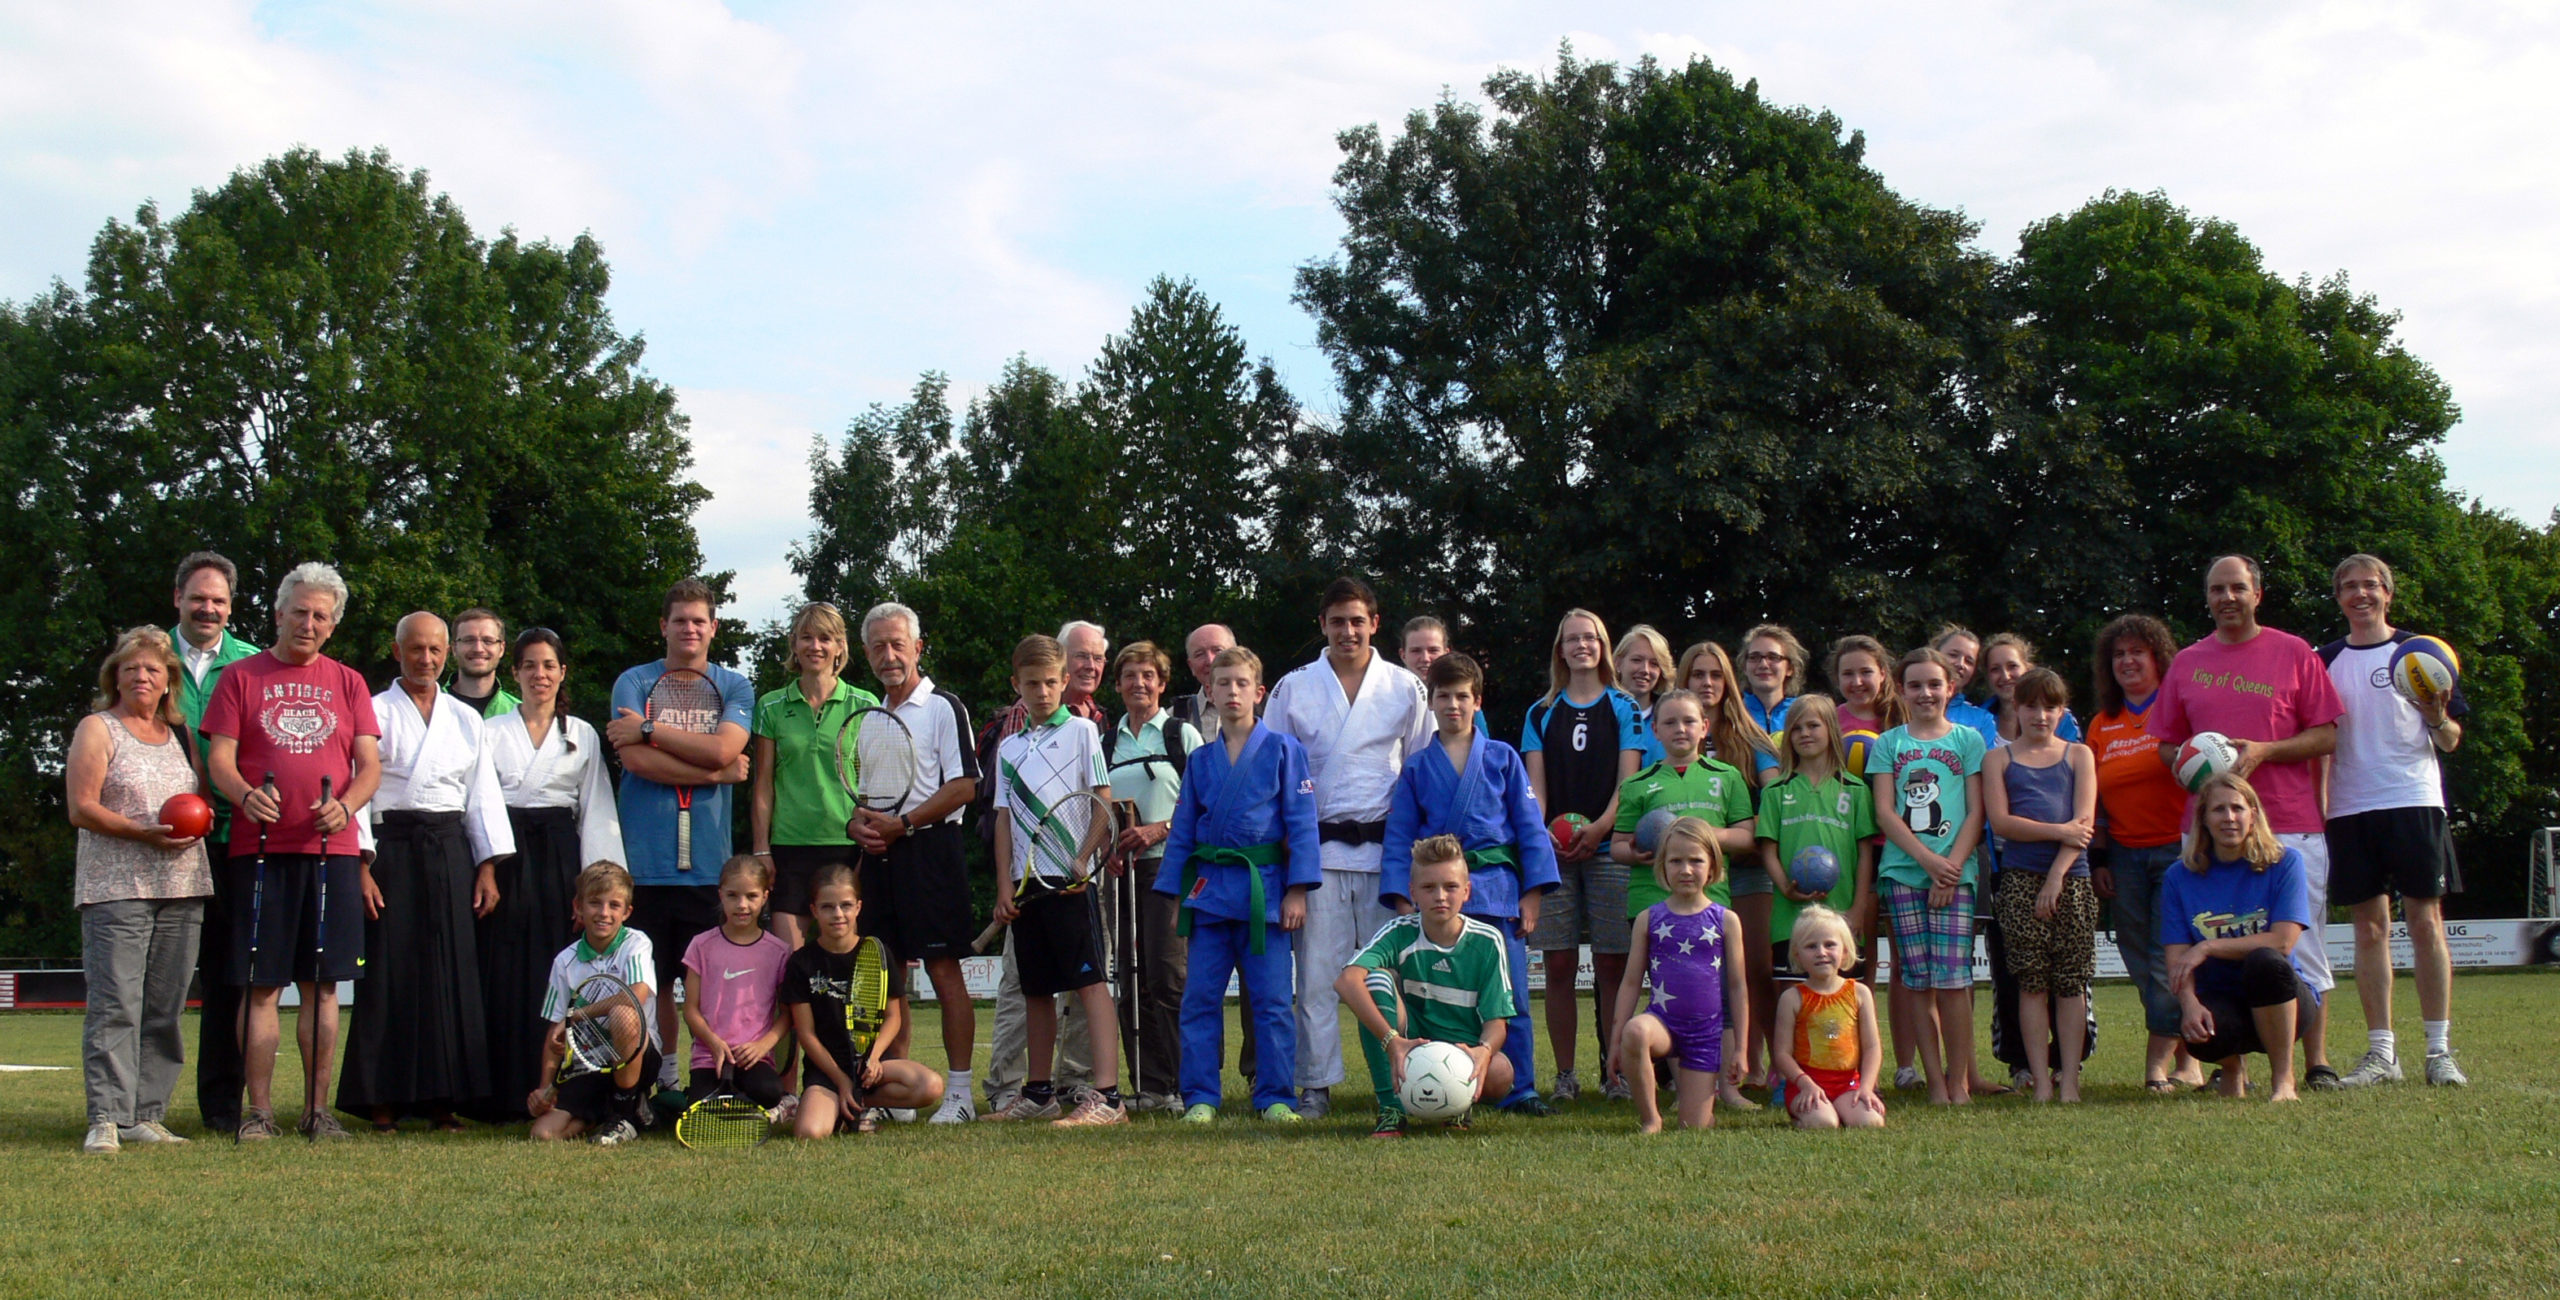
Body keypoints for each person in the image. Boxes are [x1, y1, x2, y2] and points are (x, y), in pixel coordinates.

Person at [199, 561, 381, 1141]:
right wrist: (246, 796)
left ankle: (317, 1111)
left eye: (320, 616)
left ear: (333, 625)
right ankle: (258, 1114)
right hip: (257, 853)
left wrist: (347, 806)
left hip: (332, 852)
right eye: (299, 612)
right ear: (278, 614)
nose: (308, 623)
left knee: (324, 986)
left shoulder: (349, 682)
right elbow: (219, 760)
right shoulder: (240, 677)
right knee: (260, 985)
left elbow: (370, 766)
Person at [2146, 555, 2345, 1087]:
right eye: (2217, 589)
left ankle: (2315, 1063)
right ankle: (2231, 1070)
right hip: (2211, 828)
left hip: (2289, 822)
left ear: (2258, 593)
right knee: (2211, 938)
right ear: (2207, 597)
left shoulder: (2294, 652)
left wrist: (2266, 750)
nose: (2227, 598)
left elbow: (2327, 734)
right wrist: (2195, 766)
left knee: (2299, 945)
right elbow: (2165, 745)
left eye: (2237, 587)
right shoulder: (2188, 662)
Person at [1264, 578, 1433, 1118]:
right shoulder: (1293, 688)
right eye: (1337, 621)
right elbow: (1277, 775)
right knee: (1317, 976)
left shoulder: (1406, 687)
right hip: (1319, 856)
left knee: (1398, 975)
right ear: (1322, 626)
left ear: (1375, 624)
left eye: (1357, 620)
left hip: (1387, 854)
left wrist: (1419, 862)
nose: (1348, 631)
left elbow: (1420, 771)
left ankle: (1417, 1074)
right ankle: (1316, 1084)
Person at [340, 611, 514, 1132]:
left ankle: (443, 1098)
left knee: (451, 972)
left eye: (436, 651)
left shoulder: (465, 719)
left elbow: (482, 795)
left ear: (447, 654)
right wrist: (361, 867)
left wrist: (487, 868)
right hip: (391, 847)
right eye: (416, 649)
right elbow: (357, 791)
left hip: (449, 848)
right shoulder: (372, 712)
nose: (427, 660)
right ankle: (382, 1098)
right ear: (397, 652)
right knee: (389, 973)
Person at [1379, 652, 1561, 1114]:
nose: (1453, 705)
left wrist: (1532, 894)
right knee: (1438, 996)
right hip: (1438, 896)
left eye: (1463, 696)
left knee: (1510, 993)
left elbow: (1529, 828)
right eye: (1444, 696)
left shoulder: (1502, 758)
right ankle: (1443, 1080)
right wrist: (1404, 899)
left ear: (1477, 701)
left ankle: (1519, 1089)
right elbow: (1400, 835)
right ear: (1431, 703)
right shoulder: (1417, 767)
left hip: (1496, 889)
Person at [2321, 553, 2471, 1087]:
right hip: (2349, 806)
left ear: (2388, 593)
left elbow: (2451, 740)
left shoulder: (2422, 654)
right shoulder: (2325, 660)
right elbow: (2320, 741)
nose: (2360, 595)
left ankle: (2439, 1052)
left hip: (2413, 799)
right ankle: (2382, 1054)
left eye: (2370, 586)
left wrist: (2435, 714)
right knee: (2368, 929)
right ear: (2338, 598)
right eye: (2349, 587)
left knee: (2426, 922)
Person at [1155, 646, 1322, 1123]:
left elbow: (1302, 824)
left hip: (1263, 893)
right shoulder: (1202, 760)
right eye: (1223, 683)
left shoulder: (1285, 750)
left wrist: (1297, 889)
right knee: (1200, 999)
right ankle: (1202, 1097)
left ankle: (1274, 1096)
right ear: (1210, 691)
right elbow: (1184, 827)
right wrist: (1175, 895)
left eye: (1241, 683)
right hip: (1208, 894)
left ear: (1259, 692)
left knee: (1271, 1002)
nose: (1232, 691)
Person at [606, 579, 756, 1098]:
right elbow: (636, 760)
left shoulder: (734, 685)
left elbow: (724, 749)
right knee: (649, 989)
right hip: (644, 866)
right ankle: (656, 1080)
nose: (689, 629)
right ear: (663, 626)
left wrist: (649, 730)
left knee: (707, 987)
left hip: (708, 868)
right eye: (679, 620)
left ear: (713, 628)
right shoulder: (634, 680)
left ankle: (711, 1084)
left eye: (699, 621)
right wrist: (714, 771)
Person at [69, 627, 212, 1153]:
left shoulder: (182, 734)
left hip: (182, 883)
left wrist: (200, 819)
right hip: (116, 885)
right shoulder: (98, 728)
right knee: (116, 1004)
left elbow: (196, 795)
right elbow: (81, 807)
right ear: (116, 677)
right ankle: (106, 1117)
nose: (142, 676)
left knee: (164, 1006)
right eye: (131, 668)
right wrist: (141, 832)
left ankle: (145, 1116)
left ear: (168, 679)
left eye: (153, 669)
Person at [475, 627, 624, 1122]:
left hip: (562, 860)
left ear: (563, 673)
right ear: (513, 672)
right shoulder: (491, 731)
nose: (540, 675)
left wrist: (597, 891)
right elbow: (481, 804)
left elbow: (596, 809)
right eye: (530, 666)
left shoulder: (581, 733)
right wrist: (488, 867)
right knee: (506, 973)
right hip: (508, 856)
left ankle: (565, 1090)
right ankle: (500, 1095)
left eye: (549, 666)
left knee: (559, 972)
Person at [982, 634, 1129, 1126]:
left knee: (1090, 986)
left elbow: (1102, 804)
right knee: (1036, 991)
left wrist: (1081, 860)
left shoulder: (1083, 732)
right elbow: (1003, 819)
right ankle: (1039, 1094)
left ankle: (1108, 1098)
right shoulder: (1009, 747)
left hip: (1070, 883)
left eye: (1050, 682)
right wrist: (1005, 886)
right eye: (1031, 683)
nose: (1042, 691)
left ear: (1065, 682)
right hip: (1027, 888)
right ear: (1016, 686)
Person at [847, 602, 982, 1123]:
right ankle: (895, 1095)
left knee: (944, 971)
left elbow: (965, 786)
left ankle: (961, 1095)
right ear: (865, 654)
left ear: (918, 648)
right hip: (880, 857)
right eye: (878, 646)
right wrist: (858, 826)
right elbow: (865, 799)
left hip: (932, 853)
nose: (888, 655)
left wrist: (904, 824)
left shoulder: (945, 707)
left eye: (897, 644)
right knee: (887, 978)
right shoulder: (869, 717)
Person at [1608, 688, 1757, 1107]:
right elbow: (1619, 846)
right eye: (1669, 722)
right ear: (1654, 730)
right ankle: (1680, 1087)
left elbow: (1746, 836)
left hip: (1712, 904)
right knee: (1668, 996)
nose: (1680, 729)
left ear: (1705, 727)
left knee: (1721, 997)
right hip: (1652, 905)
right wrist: (1637, 851)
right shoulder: (1638, 783)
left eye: (1689, 721)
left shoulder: (1726, 777)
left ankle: (1726, 1087)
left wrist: (1694, 833)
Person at [1521, 608, 1644, 1102]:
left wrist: (1599, 828)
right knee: (1558, 963)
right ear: (1560, 649)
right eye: (1572, 639)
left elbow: (1629, 780)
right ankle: (1565, 1075)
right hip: (1555, 849)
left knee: (1614, 962)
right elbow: (1535, 788)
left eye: (1590, 637)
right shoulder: (1541, 710)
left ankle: (1613, 1070)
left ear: (1602, 644)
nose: (1581, 646)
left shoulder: (1624, 705)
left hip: (1609, 846)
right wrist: (1543, 832)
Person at [2086, 613, 2203, 1092]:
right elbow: (2092, 800)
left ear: (2159, 658)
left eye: (2138, 651)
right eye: (2118, 654)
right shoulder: (2102, 723)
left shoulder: (2180, 710)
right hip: (2125, 859)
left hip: (2179, 852)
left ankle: (2179, 1064)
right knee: (2139, 960)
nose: (2128, 661)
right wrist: (2099, 859)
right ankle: (2184, 1057)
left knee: (2166, 956)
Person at [1867, 647, 1987, 1106]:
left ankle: (1959, 1082)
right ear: (1900, 689)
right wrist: (1926, 862)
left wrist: (1950, 868)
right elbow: (1885, 812)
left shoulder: (1967, 740)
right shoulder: (1890, 744)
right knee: (1917, 979)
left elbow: (1977, 812)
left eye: (1934, 684)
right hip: (1903, 874)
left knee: (1954, 980)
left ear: (1950, 688)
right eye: (1915, 685)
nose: (1925, 693)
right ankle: (1934, 1083)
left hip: (1956, 875)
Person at [168, 551, 261, 1134]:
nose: (208, 608)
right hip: (162, 843)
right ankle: (133, 1105)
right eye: (198, 597)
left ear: (231, 606)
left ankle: (222, 1107)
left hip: (234, 840)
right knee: (165, 978)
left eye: (219, 600)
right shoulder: (148, 661)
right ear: (177, 596)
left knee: (233, 979)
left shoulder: (253, 665)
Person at [1337, 837, 1518, 1136]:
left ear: (1466, 891)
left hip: (1461, 1051)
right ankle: (1391, 1109)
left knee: (1501, 1073)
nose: (1440, 896)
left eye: (1450, 887)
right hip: (1411, 1047)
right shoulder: (1400, 932)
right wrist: (1392, 1041)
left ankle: (1458, 1105)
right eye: (1429, 888)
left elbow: (1496, 1022)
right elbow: (1346, 980)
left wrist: (1483, 1052)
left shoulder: (1488, 941)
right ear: (1413, 893)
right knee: (1374, 980)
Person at [1978, 632, 2092, 1094]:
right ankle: (2040, 1080)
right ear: (2016, 710)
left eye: (2049, 708)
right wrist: (2057, 831)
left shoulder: (2079, 755)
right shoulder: (1996, 759)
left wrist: (2058, 874)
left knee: (2070, 984)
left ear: (2061, 712)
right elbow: (2002, 823)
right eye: (2030, 707)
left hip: (2073, 881)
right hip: (2019, 880)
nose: (2039, 716)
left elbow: (2083, 825)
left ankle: (2068, 1081)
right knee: (2030, 982)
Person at [2162, 774, 2312, 1103]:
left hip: (2285, 999)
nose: (2229, 818)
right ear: (2203, 818)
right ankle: (2231, 1069)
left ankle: (2283, 1079)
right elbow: (2176, 958)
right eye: (2218, 810)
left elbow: (2283, 942)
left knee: (2265, 960)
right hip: (2220, 998)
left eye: (2237, 808)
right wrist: (2189, 1005)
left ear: (2253, 815)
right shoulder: (2179, 877)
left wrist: (2209, 945)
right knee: (2200, 1034)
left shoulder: (2285, 863)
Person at [1102, 641, 1201, 1112]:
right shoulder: (1107, 741)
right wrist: (1109, 848)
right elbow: (1097, 807)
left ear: (1162, 684)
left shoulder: (1181, 736)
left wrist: (1156, 829)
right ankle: (1149, 1084)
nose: (1138, 683)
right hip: (1120, 871)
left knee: (1167, 976)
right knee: (1129, 976)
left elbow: (1204, 804)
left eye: (1148, 675)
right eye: (1129, 676)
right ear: (1117, 684)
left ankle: (1186, 1085)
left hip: (1168, 867)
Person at [782, 862, 946, 1137]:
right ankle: (837, 1102)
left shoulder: (877, 952)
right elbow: (807, 1035)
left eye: (846, 905)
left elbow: (894, 1017)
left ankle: (863, 1103)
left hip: (870, 1065)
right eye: (827, 906)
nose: (838, 914)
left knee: (930, 1086)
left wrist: (874, 1056)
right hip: (828, 1070)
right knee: (810, 1132)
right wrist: (841, 1081)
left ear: (858, 907)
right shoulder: (802, 962)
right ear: (813, 910)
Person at [750, 602, 879, 949]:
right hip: (789, 847)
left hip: (847, 847)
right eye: (806, 637)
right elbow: (762, 784)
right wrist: (762, 849)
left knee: (843, 962)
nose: (815, 646)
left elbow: (872, 785)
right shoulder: (770, 706)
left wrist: (867, 845)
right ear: (794, 644)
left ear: (840, 646)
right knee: (788, 967)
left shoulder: (864, 702)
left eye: (825, 638)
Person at [1756, 695, 1881, 1050]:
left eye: (1813, 725)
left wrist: (1857, 909)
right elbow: (1768, 847)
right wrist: (1785, 886)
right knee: (1793, 998)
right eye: (1795, 728)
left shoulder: (1855, 790)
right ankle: (1789, 1074)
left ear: (1832, 730)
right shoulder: (1777, 791)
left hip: (1841, 915)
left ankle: (1847, 1071)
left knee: (1843, 998)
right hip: (1789, 914)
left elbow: (1864, 852)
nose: (1804, 734)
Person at [1610, 817, 1748, 1133]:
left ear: (1712, 866)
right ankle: (1651, 1118)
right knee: (1636, 1032)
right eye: (1676, 861)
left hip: (1705, 1035)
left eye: (1695, 861)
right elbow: (1631, 982)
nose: (1685, 870)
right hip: (1663, 1023)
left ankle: (1702, 1110)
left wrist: (1739, 1048)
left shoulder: (1727, 921)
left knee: (1694, 1127)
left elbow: (1738, 987)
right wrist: (1617, 1040)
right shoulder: (1649, 919)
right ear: (1662, 867)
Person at [527, 862, 658, 1144]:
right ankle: (608, 1112)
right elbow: (555, 1035)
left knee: (623, 1014)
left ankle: (625, 1112)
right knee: (543, 1134)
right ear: (578, 907)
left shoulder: (637, 943)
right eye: (595, 903)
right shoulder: (564, 962)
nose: (604, 913)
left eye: (614, 905)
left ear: (627, 912)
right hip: (588, 1063)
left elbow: (636, 995)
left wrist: (576, 1015)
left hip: (639, 1055)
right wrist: (544, 1088)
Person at [679, 856, 791, 1113]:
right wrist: (714, 1042)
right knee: (699, 1108)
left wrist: (762, 1046)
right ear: (720, 895)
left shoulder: (779, 951)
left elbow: (787, 1015)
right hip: (710, 1057)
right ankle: (731, 1102)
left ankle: (741, 1101)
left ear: (765, 896)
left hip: (753, 1058)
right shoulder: (701, 945)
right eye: (733, 896)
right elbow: (691, 1009)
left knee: (770, 1093)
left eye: (751, 896)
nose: (742, 905)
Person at [1772, 906, 1888, 1130]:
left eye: (1829, 944)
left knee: (1871, 1122)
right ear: (1797, 955)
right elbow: (1782, 1054)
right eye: (1811, 946)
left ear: (1845, 951)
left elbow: (1872, 1047)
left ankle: (1841, 1108)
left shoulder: (1859, 993)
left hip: (1848, 1084)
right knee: (1824, 1123)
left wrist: (1866, 1087)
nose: (1821, 952)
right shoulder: (1792, 998)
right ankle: (1810, 1114)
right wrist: (1805, 1084)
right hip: (1807, 1084)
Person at [1674, 641, 1780, 785]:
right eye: (1698, 675)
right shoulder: (1667, 733)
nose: (1708, 683)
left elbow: (1773, 789)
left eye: (1716, 675)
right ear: (1686, 679)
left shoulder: (1748, 734)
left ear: (1726, 681)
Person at [1615, 624, 1675, 767]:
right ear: (1618, 664)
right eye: (1637, 660)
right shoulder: (1602, 712)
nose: (1645, 670)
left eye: (1654, 664)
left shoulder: (1671, 718)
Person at [1932, 625, 2001, 746]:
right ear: (1934, 654)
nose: (1960, 664)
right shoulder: (1906, 707)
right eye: (1953, 655)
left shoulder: (1982, 720)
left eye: (1969, 661)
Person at [1827, 635, 1904, 739]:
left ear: (1882, 674)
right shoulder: (1829, 721)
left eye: (1866, 672)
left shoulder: (1903, 715)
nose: (1857, 682)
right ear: (1837, 678)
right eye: (1848, 674)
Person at [447, 608, 520, 717]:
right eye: (469, 640)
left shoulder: (518, 714)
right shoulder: (432, 708)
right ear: (454, 648)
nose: (478, 649)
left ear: (501, 649)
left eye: (488, 641)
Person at [1170, 623, 1237, 739]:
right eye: (1199, 654)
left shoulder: (1267, 707)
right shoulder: (1173, 719)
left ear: (1238, 655)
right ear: (1191, 666)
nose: (1210, 661)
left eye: (1218, 651)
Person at [1739, 624, 1807, 737]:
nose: (1763, 665)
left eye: (1773, 657)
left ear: (1789, 668)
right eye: (1754, 657)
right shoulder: (1732, 714)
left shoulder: (1804, 713)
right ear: (1745, 667)